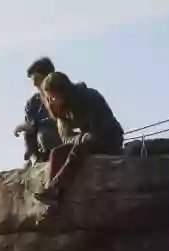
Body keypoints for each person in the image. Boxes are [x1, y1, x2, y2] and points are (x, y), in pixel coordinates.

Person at [36, 70, 124, 208]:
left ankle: (56, 187)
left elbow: (99, 130)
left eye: (53, 96)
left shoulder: (88, 97)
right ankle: (51, 192)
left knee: (80, 148)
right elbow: (66, 138)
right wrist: (80, 138)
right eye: (49, 98)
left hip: (109, 138)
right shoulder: (63, 110)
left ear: (62, 91)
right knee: (57, 152)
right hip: (87, 140)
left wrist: (82, 138)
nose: (51, 101)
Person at [14, 56, 62, 164]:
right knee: (29, 133)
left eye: (37, 78)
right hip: (39, 143)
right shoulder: (33, 103)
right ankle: (35, 159)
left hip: (58, 137)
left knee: (44, 134)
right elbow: (29, 122)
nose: (34, 84)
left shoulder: (60, 96)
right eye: (32, 80)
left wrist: (36, 124)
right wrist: (25, 126)